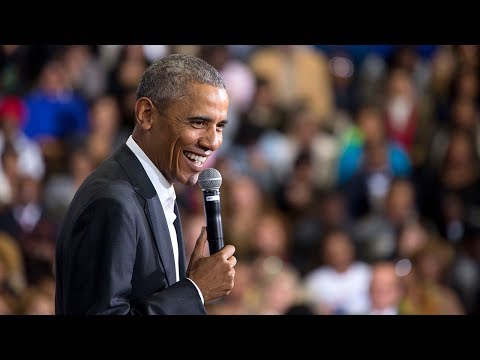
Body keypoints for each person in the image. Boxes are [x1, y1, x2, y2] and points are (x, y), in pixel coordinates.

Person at [55, 53, 237, 315]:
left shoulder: (155, 186)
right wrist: (194, 291)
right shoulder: (114, 202)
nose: (213, 142)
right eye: (198, 122)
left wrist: (187, 288)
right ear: (146, 114)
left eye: (220, 126)